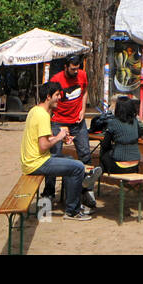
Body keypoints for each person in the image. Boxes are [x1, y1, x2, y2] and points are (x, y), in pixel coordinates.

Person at [20, 81, 92, 221]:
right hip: (36, 163)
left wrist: (61, 138)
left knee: (71, 162)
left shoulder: (35, 110)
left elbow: (43, 139)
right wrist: (59, 136)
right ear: (48, 97)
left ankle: (72, 202)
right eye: (57, 95)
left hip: (32, 160)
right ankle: (73, 211)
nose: (60, 98)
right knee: (77, 167)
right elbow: (44, 145)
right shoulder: (43, 116)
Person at [47, 55, 99, 208]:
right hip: (58, 122)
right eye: (72, 69)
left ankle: (87, 191)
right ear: (65, 67)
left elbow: (84, 92)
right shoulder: (56, 79)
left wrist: (83, 110)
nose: (76, 72)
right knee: (53, 157)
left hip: (78, 122)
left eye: (77, 69)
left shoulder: (82, 75)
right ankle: (49, 192)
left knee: (85, 155)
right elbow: (49, 101)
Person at [100, 96, 142, 174]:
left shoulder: (114, 123)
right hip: (135, 164)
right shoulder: (135, 121)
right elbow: (139, 135)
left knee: (104, 154)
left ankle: (100, 175)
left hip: (119, 166)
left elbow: (105, 145)